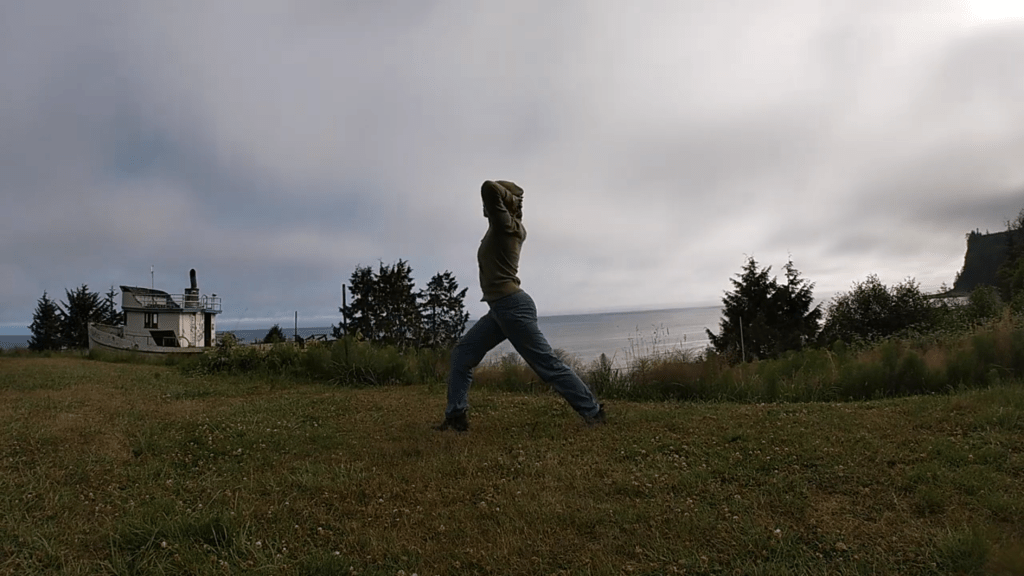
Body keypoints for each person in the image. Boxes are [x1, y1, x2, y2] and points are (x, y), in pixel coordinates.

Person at [434, 180, 605, 432]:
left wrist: (512, 198)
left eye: (489, 205)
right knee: (462, 354)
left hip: (512, 307)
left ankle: (593, 412)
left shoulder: (506, 226)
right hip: (500, 309)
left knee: (547, 365)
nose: (484, 206)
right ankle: (456, 417)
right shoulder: (501, 227)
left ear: (507, 204)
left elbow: (488, 188)